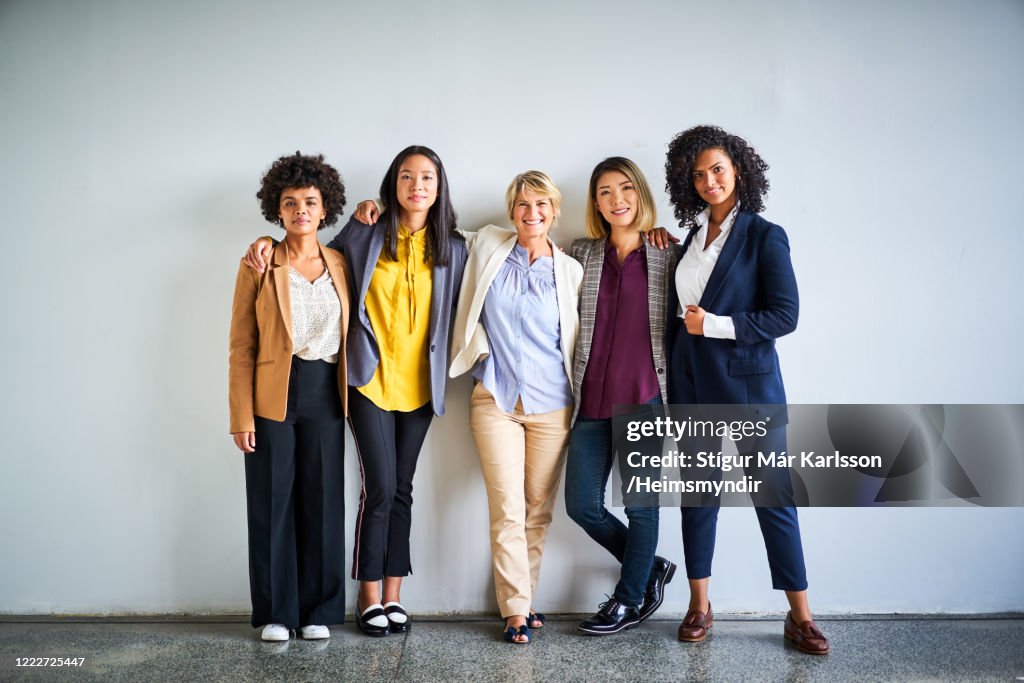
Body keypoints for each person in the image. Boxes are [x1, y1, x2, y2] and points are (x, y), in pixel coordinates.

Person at [244, 145, 467, 637]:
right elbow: (302, 246)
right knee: (374, 488)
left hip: (415, 387)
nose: (417, 186)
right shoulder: (364, 232)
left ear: (439, 185)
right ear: (392, 184)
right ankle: (359, 599)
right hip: (364, 381)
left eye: (427, 177)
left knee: (396, 490)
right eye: (407, 176)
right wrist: (263, 238)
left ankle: (390, 597)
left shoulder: (454, 245)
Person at [664, 125, 829, 654]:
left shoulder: (764, 235)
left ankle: (800, 616)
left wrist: (712, 325)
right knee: (699, 500)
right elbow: (675, 312)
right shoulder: (689, 239)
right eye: (698, 174)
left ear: (738, 170)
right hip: (692, 388)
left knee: (774, 500)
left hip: (751, 391)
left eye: (717, 169)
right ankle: (698, 604)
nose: (709, 180)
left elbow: (785, 315)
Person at [445, 172, 582, 644]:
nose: (532, 214)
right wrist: (374, 211)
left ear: (554, 210)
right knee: (506, 507)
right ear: (511, 211)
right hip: (496, 399)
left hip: (552, 405)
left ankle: (525, 597)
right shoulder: (488, 245)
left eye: (541, 205)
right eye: (523, 205)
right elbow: (438, 231)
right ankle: (516, 611)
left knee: (536, 512)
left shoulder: (570, 270)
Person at [229, 152, 351, 642]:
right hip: (271, 393)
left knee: (323, 500)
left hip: (326, 390)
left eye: (310, 201)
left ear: (325, 209)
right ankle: (277, 612)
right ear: (276, 211)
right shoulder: (259, 262)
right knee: (271, 500)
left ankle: (317, 610)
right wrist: (241, 415)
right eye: (290, 202)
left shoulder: (341, 262)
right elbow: (241, 345)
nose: (301, 210)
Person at [564, 157, 678, 635]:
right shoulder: (579, 253)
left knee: (639, 506)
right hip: (590, 402)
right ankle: (649, 566)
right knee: (581, 506)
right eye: (606, 192)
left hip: (643, 397)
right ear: (595, 202)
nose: (617, 200)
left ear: (640, 193)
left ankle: (630, 599)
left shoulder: (666, 252)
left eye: (625, 188)